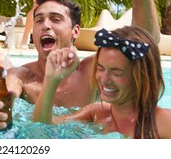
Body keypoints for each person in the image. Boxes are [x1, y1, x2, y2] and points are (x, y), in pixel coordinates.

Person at [0, 0, 161, 130]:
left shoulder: (93, 71)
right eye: (39, 20)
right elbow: (7, 93)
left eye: (56, 19)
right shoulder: (20, 76)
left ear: (75, 31)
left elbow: (143, 44)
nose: (46, 25)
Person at [32, 26, 171, 139]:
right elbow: (42, 128)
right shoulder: (97, 114)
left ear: (143, 76)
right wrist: (51, 80)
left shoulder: (162, 122)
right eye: (100, 68)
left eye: (117, 72)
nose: (104, 79)